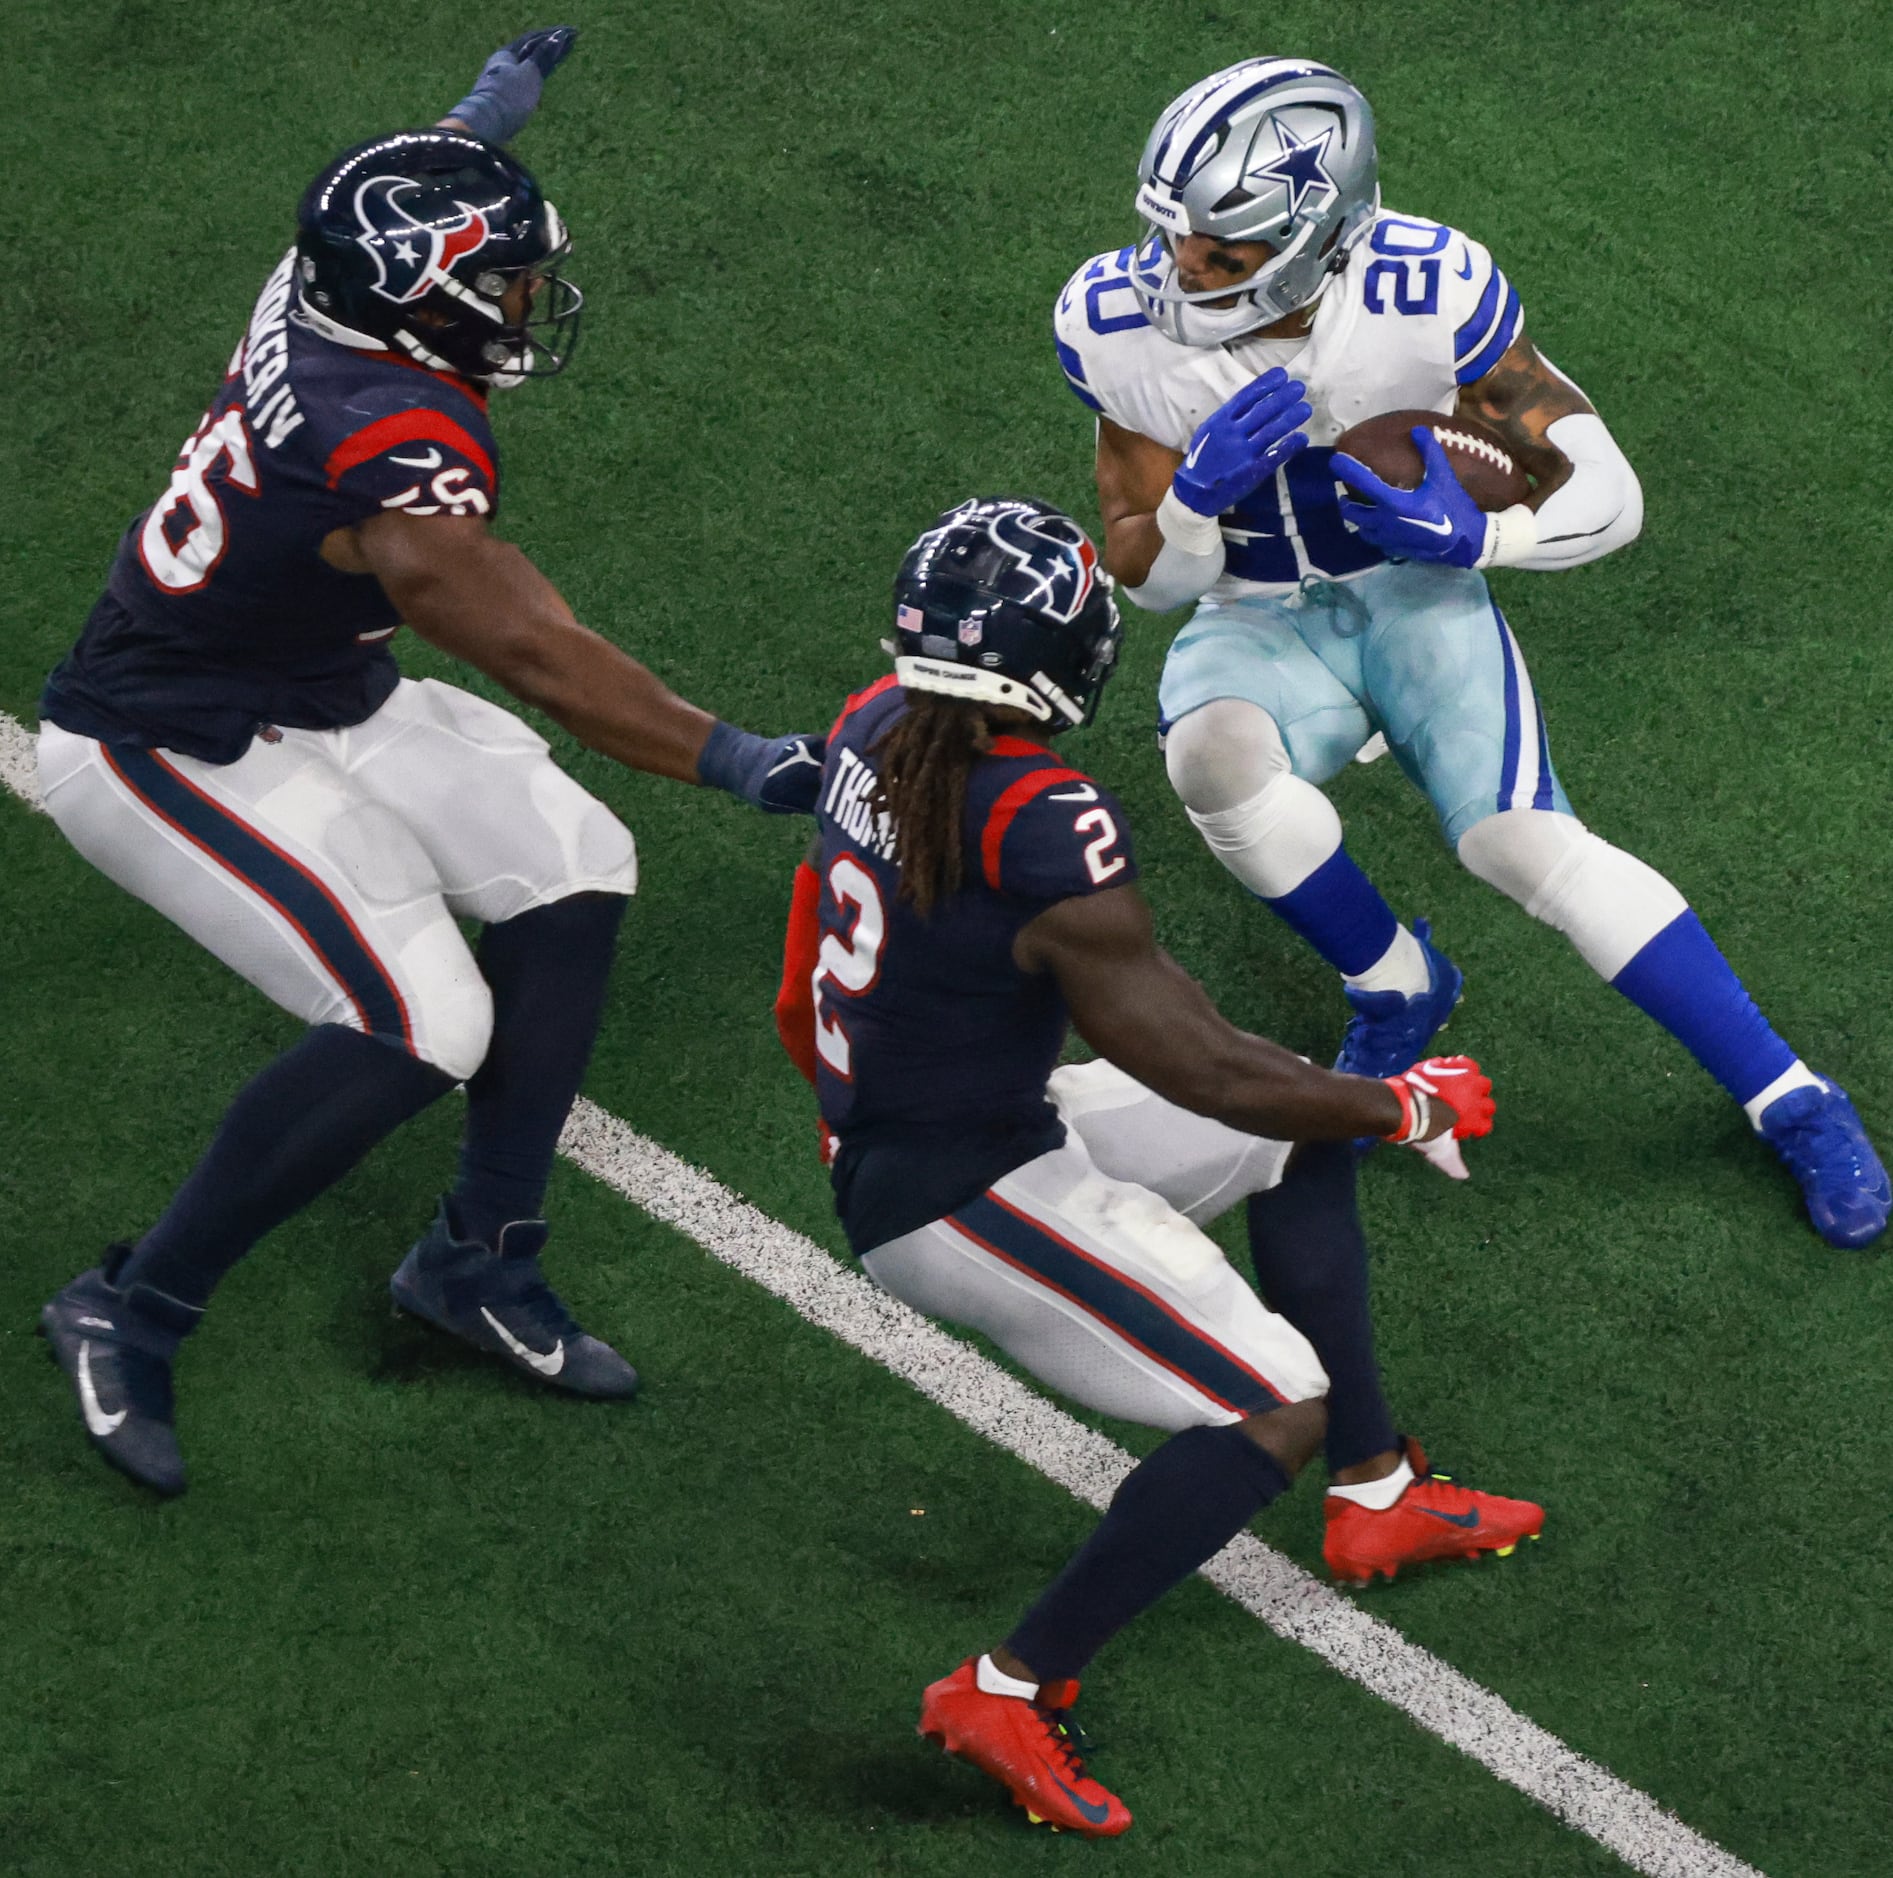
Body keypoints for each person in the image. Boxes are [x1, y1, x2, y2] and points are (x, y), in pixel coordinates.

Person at [34, 31, 823, 1497]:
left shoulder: (319, 280)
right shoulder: (393, 444)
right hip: (162, 740)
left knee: (577, 862)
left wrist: (476, 119)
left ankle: (477, 1259)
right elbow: (532, 650)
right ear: (432, 301)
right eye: (508, 280)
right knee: (417, 1020)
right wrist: (748, 763)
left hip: (303, 681)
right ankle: (130, 1301)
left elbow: (382, 206)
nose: (529, 303)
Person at [773, 496, 1536, 1836]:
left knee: (1294, 1127)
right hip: (963, 1192)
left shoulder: (868, 727)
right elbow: (1201, 1066)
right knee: (1267, 1403)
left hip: (946, 1127)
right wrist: (1400, 1105)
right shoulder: (1045, 821)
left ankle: (1376, 1493)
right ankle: (1007, 1683)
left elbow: (801, 977)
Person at [1052, 57, 1887, 1247]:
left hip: (1412, 596)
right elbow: (1146, 576)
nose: (1184, 268)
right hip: (1258, 613)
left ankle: (1790, 1096)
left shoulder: (1423, 287)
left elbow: (1611, 491)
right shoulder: (1114, 321)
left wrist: (1487, 534)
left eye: (1223, 254)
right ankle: (1395, 981)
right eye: (1176, 234)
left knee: (1522, 842)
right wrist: (1193, 503)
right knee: (1211, 762)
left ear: (1317, 237)